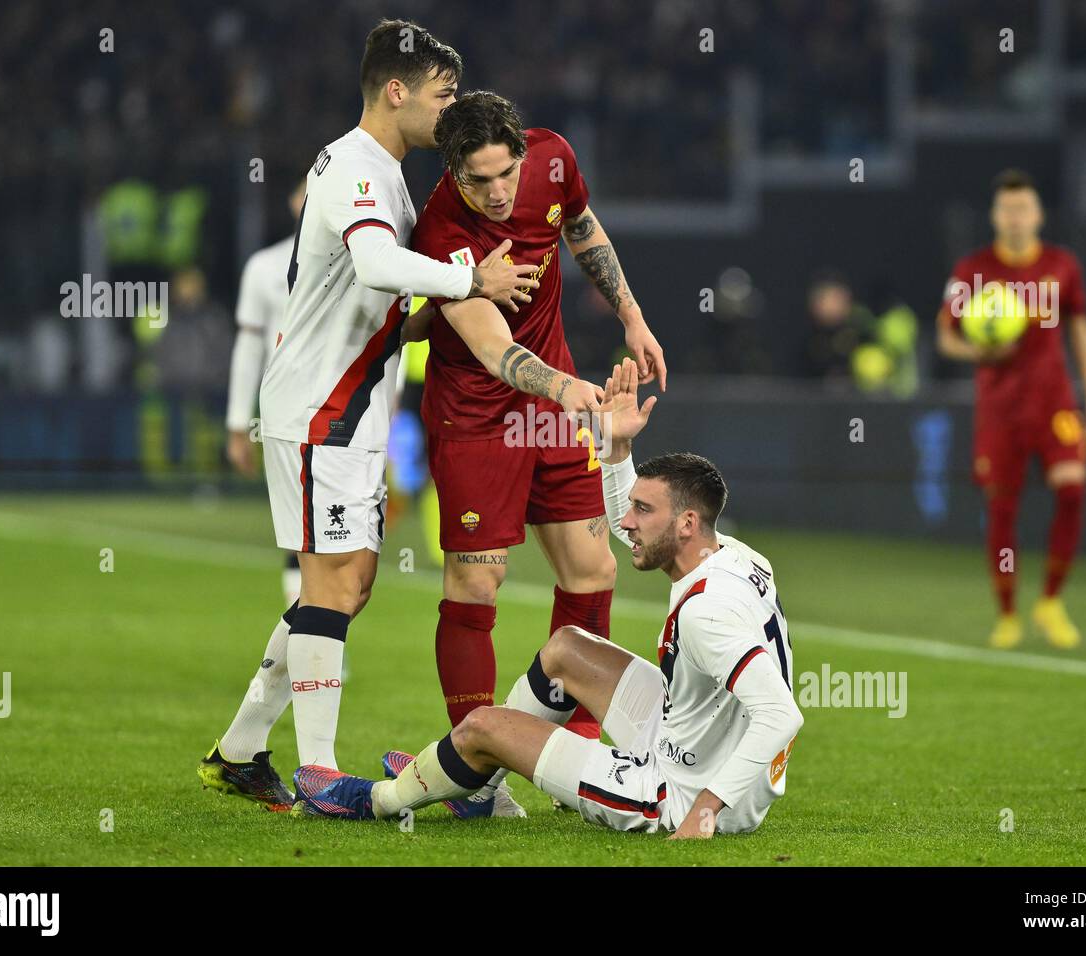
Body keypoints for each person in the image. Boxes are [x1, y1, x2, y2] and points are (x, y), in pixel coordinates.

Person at [197, 20, 538, 812]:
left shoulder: (384, 171)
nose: (449, 109)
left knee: (344, 587)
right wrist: (469, 282)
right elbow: (377, 264)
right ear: (396, 91)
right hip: (322, 406)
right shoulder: (356, 165)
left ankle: (242, 750)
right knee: (335, 582)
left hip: (347, 405)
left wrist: (436, 307)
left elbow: (379, 302)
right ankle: (318, 771)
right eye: (442, 95)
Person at [293, 359, 803, 838]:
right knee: (566, 649)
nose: (625, 523)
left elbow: (781, 715)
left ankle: (377, 800)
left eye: (643, 510)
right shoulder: (733, 555)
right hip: (696, 743)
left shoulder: (706, 613)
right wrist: (617, 453)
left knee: (481, 728)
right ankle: (477, 790)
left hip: (676, 791)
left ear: (686, 523)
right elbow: (638, 536)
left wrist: (706, 808)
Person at [398, 92, 668, 815]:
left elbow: (580, 226)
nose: (497, 192)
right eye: (479, 179)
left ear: (524, 152)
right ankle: (472, 772)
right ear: (452, 169)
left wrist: (632, 315)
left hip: (553, 403)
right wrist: (567, 388)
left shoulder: (552, 158)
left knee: (593, 567)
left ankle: (577, 765)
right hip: (478, 415)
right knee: (477, 582)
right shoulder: (441, 233)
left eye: (506, 173)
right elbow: (490, 348)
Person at [936, 169, 1086, 650]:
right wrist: (980, 352)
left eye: (1024, 209)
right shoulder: (972, 271)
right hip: (1000, 410)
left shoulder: (1061, 265)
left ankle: (1051, 600)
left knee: (1072, 489)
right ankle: (1009, 612)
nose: (1015, 217)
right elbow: (946, 337)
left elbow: (1081, 330)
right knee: (1002, 508)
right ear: (995, 215)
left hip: (1055, 402)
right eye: (1007, 209)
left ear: (1038, 215)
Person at [224, 179, 307, 605]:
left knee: (348, 545)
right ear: (294, 202)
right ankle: (312, 647)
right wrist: (238, 424)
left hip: (352, 410)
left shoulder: (365, 263)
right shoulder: (264, 267)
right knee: (303, 537)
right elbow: (249, 347)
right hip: (287, 412)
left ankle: (316, 643)